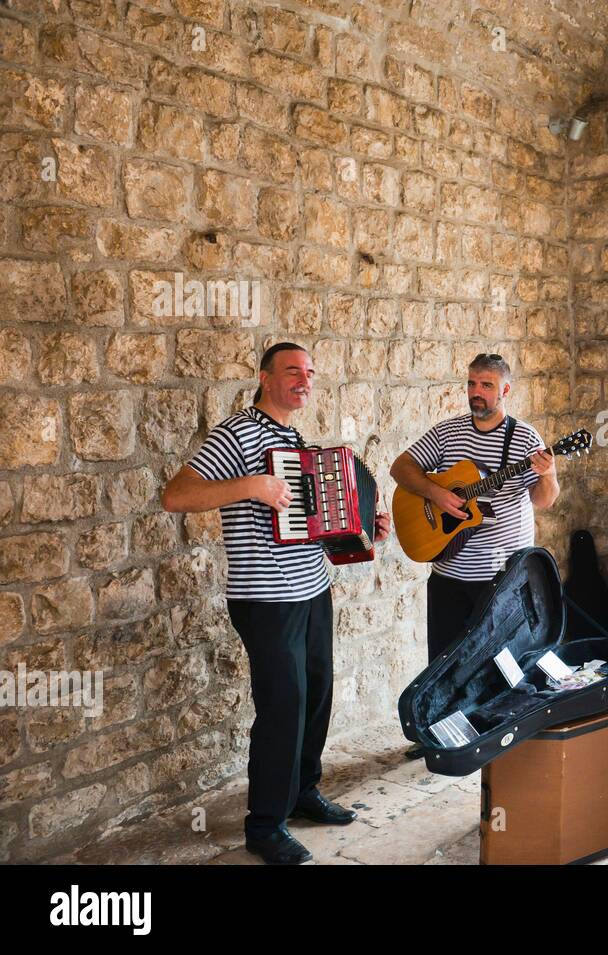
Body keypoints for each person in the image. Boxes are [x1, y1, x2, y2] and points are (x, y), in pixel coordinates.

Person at [162, 342, 393, 865]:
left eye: (309, 372)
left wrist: (360, 528)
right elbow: (175, 495)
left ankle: (303, 791)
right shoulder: (235, 432)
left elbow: (310, 524)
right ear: (265, 378)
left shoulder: (294, 439)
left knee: (316, 695)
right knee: (282, 707)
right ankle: (264, 825)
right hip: (265, 598)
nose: (304, 380)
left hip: (312, 589)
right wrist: (251, 486)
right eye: (292, 371)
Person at [390, 353, 559, 752]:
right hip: (450, 570)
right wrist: (437, 493)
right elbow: (401, 468)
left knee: (495, 661)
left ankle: (491, 732)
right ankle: (435, 732)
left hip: (500, 574)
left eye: (485, 385)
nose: (476, 393)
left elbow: (545, 500)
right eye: (471, 383)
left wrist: (548, 474)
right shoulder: (448, 434)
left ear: (505, 390)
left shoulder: (524, 439)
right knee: (443, 659)